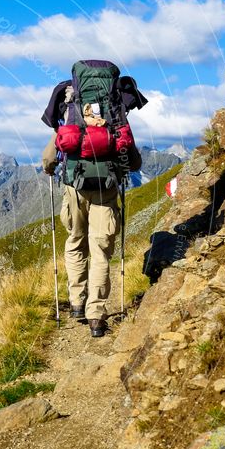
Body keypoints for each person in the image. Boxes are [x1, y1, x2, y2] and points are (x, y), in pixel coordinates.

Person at [41, 65, 145, 338]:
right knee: (100, 251)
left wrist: (50, 169)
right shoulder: (115, 112)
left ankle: (77, 302)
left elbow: (50, 156)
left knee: (75, 241)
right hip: (106, 190)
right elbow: (133, 159)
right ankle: (96, 315)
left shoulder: (72, 108)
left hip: (74, 188)